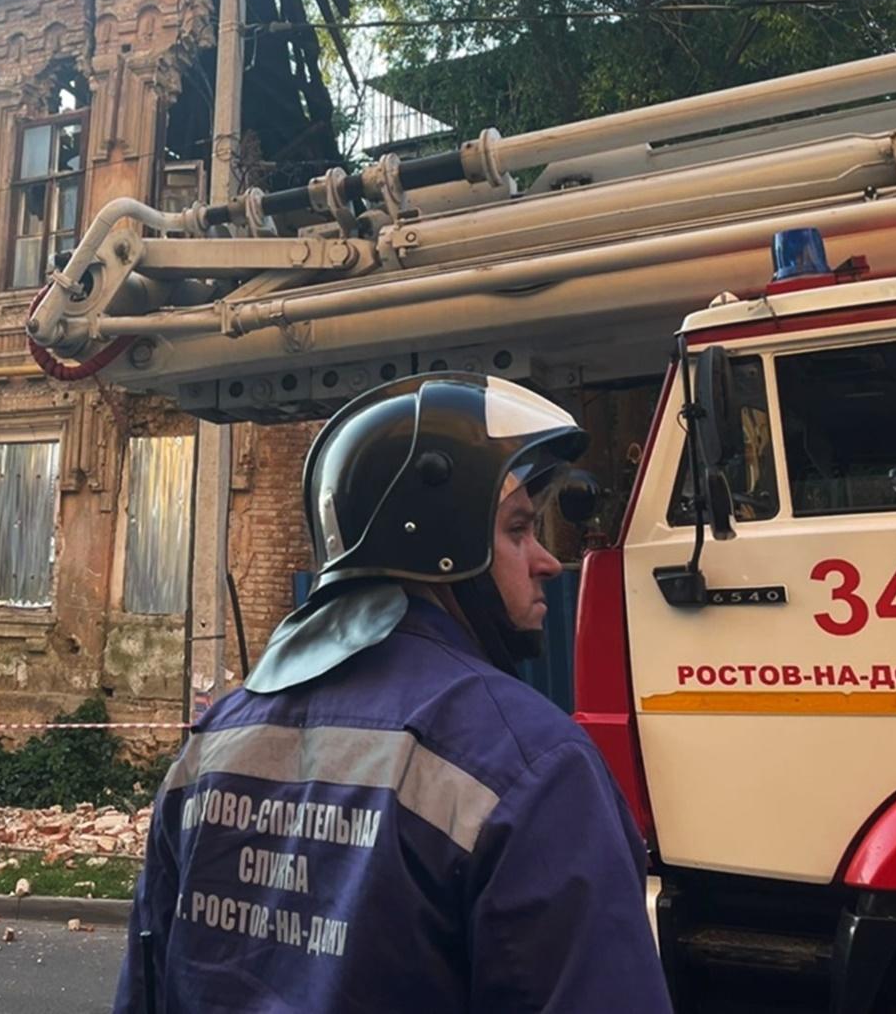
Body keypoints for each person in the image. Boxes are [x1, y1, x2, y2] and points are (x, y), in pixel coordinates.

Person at [114, 373, 671, 1013]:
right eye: (519, 530)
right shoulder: (534, 765)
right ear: (444, 544)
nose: (545, 560)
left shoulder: (212, 744)